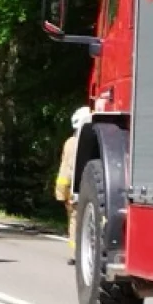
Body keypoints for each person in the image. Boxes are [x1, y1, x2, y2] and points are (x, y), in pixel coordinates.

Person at [57, 106, 91, 265]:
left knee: (75, 222)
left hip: (74, 191)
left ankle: (76, 254)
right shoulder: (93, 140)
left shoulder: (70, 143)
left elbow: (65, 171)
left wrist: (61, 192)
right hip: (91, 190)